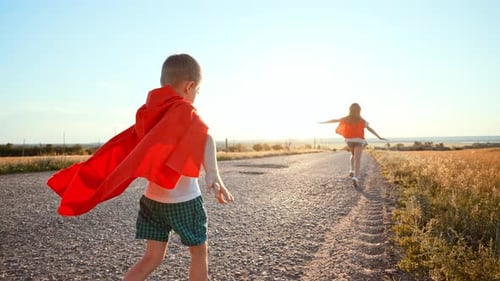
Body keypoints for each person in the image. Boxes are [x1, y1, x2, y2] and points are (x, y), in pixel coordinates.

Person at [122, 54, 234, 281]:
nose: (196, 95)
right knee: (198, 252)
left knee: (151, 258)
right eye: (198, 90)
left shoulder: (151, 112)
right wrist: (213, 171)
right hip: (184, 201)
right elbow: (206, 135)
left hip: (152, 200)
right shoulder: (185, 111)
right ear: (189, 86)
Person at [319, 103, 387, 187]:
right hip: (359, 140)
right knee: (357, 158)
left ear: (350, 110)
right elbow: (370, 129)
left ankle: (351, 170)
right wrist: (379, 137)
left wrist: (323, 122)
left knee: (353, 155)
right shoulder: (362, 120)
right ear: (359, 111)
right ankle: (355, 177)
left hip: (349, 140)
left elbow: (334, 120)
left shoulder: (346, 119)